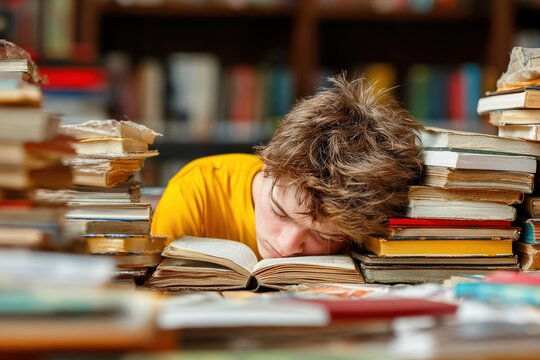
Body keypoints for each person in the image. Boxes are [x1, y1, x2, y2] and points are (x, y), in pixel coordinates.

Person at [151, 74, 423, 259]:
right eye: (280, 212)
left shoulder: (364, 209)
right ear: (268, 161)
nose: (287, 246)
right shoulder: (196, 191)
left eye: (322, 235)